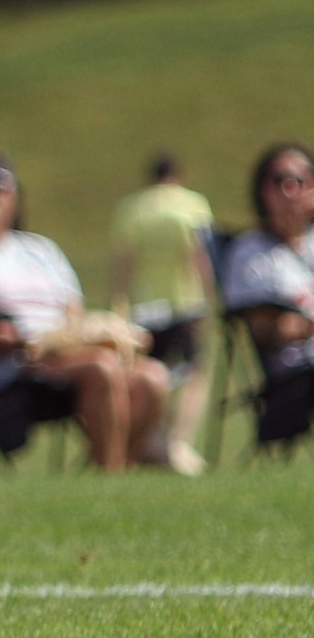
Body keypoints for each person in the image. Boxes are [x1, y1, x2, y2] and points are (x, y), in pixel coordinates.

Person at [0, 151, 169, 470]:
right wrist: (18, 339)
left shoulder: (40, 250)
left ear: (13, 198)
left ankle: (116, 469)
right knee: (101, 366)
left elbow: (72, 310)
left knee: (152, 377)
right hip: (11, 371)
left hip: (69, 353)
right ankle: (111, 478)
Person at [108, 153, 215, 474]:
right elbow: (200, 256)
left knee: (151, 375)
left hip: (145, 304)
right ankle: (177, 441)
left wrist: (120, 301)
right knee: (191, 374)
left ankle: (153, 438)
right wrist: (210, 296)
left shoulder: (132, 208)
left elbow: (124, 262)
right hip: (185, 302)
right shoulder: (192, 204)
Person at [219, 143, 314, 443]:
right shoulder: (251, 253)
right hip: (294, 375)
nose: (292, 190)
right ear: (262, 191)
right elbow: (266, 329)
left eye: (302, 180)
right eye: (281, 181)